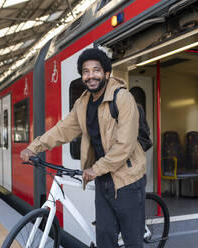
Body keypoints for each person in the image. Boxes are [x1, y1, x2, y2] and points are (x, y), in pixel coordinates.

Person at [20, 48, 146, 248]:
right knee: (104, 237)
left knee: (133, 241)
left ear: (106, 73)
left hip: (127, 180)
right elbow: (62, 130)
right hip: (103, 179)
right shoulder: (83, 103)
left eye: (96, 70)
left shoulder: (122, 98)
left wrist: (95, 169)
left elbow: (126, 144)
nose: (90, 76)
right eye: (86, 72)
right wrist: (34, 147)